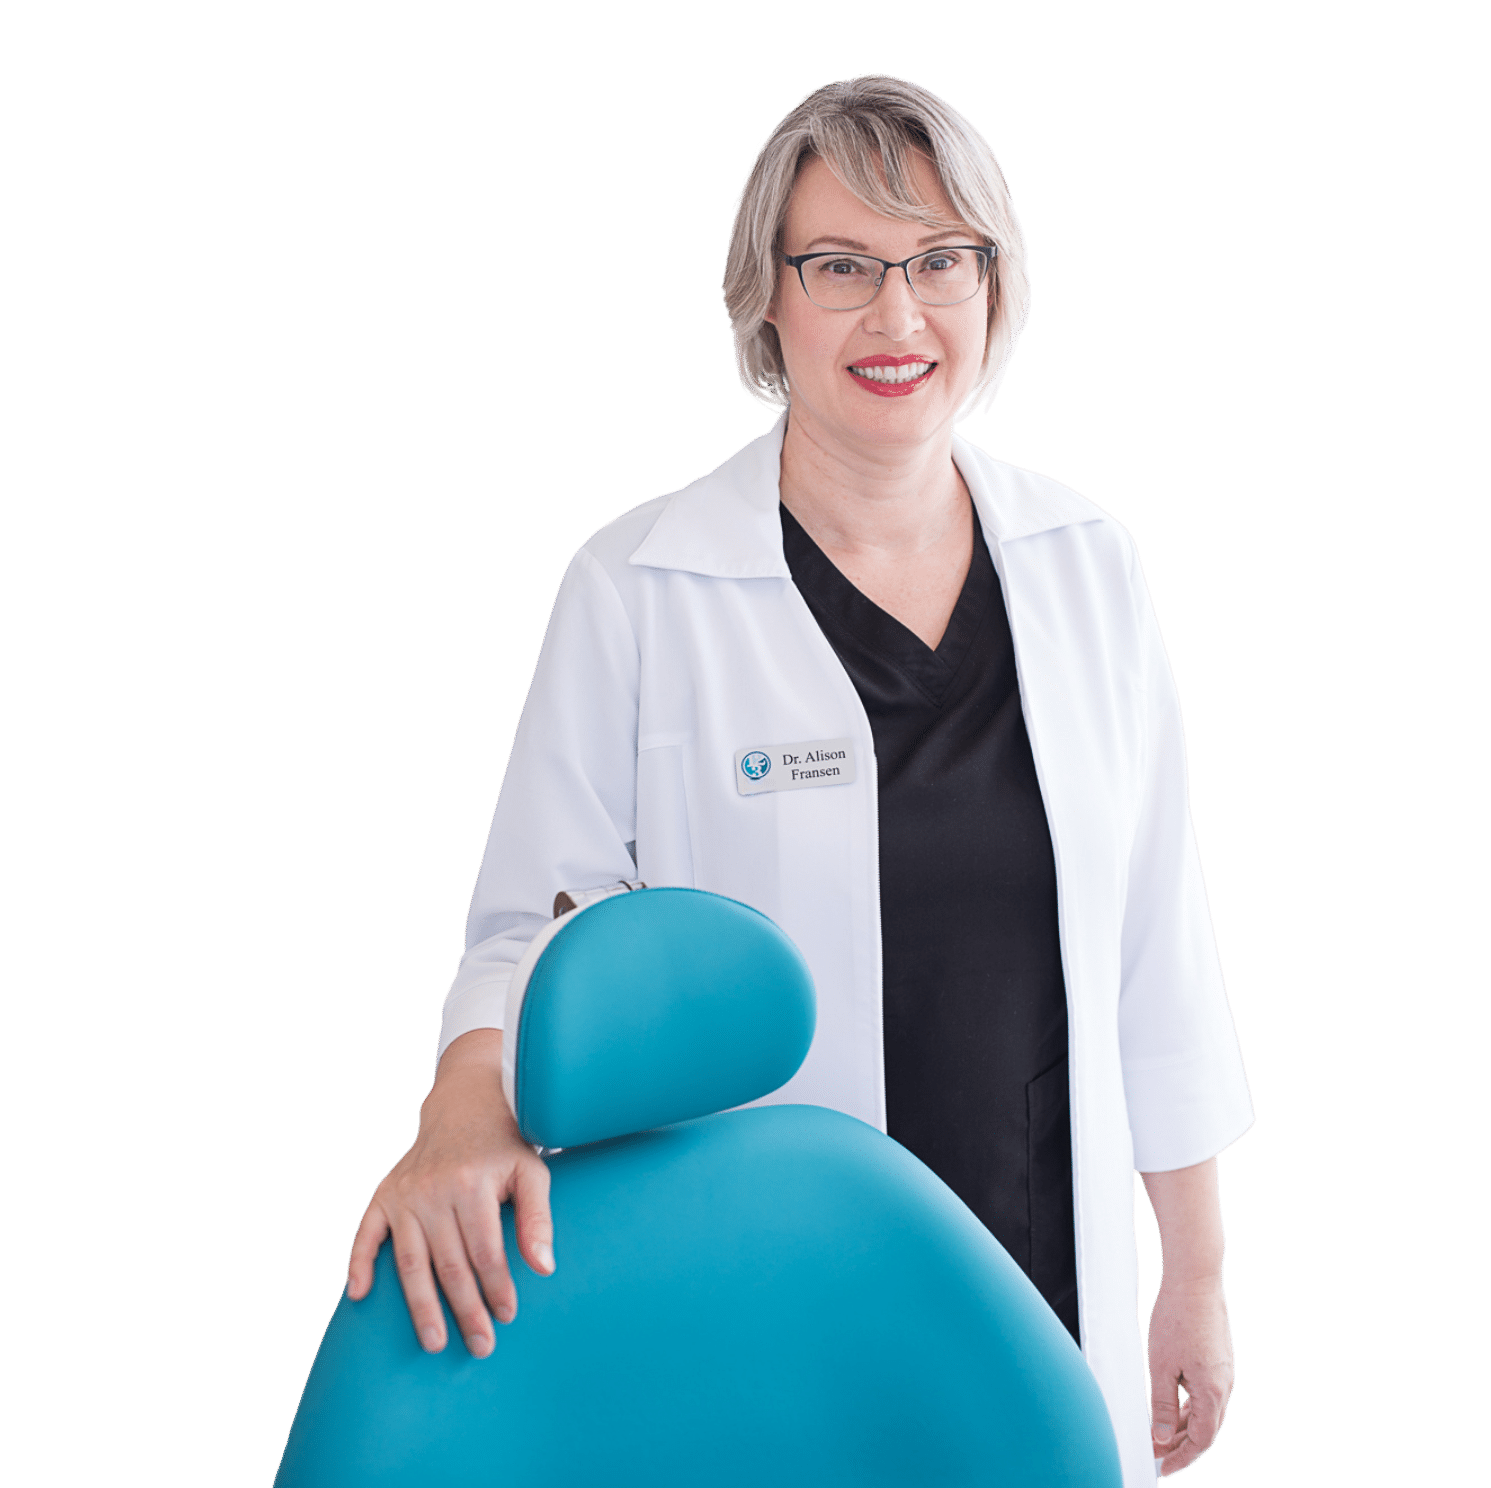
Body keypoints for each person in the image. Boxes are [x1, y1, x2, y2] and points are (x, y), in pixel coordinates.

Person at [347, 75, 1255, 1484]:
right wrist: (462, 1111)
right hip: (768, 1292)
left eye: (941, 260)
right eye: (840, 266)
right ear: (765, 298)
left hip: (1040, 1285)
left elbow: (1157, 937)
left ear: (994, 287)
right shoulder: (639, 585)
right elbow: (534, 926)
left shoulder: (1088, 562)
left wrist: (1191, 1269)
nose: (899, 316)